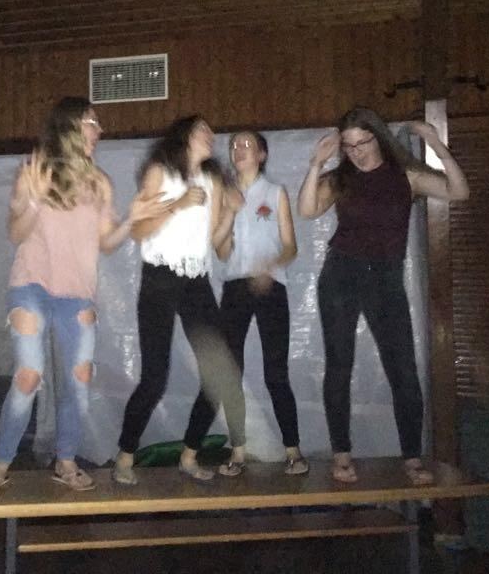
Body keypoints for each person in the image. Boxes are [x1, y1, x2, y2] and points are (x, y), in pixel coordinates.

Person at [0, 97, 165, 496]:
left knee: (78, 380)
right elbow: (15, 233)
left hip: (77, 294)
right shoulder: (36, 170)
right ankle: (0, 464)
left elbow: (108, 243)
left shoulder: (100, 183)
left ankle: (65, 461)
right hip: (31, 285)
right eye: (93, 122)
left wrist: (132, 218)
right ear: (70, 127)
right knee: (29, 375)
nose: (100, 130)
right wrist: (32, 199)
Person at [298, 107, 469, 485]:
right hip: (342, 273)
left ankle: (412, 457)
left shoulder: (406, 176)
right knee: (339, 365)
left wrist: (436, 145)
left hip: (386, 277)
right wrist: (316, 164)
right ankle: (342, 454)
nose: (356, 152)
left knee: (402, 368)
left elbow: (458, 191)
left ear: (378, 137)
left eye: (362, 143)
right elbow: (307, 210)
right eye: (349, 146)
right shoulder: (341, 178)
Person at [112, 115, 244, 485]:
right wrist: (178, 204)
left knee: (221, 373)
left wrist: (231, 211)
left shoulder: (213, 180)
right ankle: (125, 456)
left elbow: (216, 244)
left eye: (212, 129)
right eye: (204, 129)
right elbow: (138, 230)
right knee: (155, 377)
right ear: (185, 135)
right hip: (160, 277)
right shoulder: (160, 172)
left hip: (196, 279)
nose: (212, 134)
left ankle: (189, 454)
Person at [185, 131, 308, 476]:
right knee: (229, 372)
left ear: (262, 154)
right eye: (234, 145)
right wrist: (228, 213)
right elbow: (221, 251)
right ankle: (238, 451)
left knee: (276, 373)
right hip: (236, 288)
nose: (239, 149)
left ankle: (293, 451)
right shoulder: (224, 195)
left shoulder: (275, 192)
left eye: (247, 145)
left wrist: (270, 267)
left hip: (271, 286)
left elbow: (291, 247)